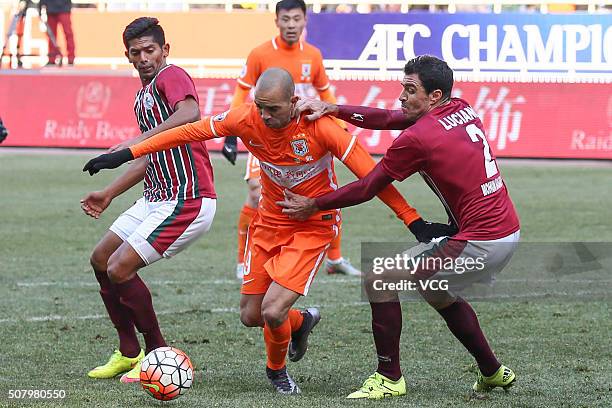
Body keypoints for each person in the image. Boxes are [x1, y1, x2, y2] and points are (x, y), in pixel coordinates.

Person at [82, 67, 453, 394]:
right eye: (260, 106)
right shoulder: (247, 118)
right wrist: (126, 153)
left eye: (273, 108)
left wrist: (414, 221)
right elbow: (189, 131)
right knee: (251, 315)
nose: (264, 115)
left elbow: (373, 177)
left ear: (293, 101)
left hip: (313, 226)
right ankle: (303, 321)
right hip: (269, 223)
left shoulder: (322, 127)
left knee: (273, 311)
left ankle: (276, 372)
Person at [278, 55, 521, 399]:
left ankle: (389, 377)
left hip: (481, 241)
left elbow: (367, 187)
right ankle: (493, 372)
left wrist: (314, 204)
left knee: (378, 279)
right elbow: (393, 118)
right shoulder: (461, 107)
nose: (401, 96)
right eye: (402, 88)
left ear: (434, 96)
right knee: (436, 290)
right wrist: (334, 108)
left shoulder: (418, 138)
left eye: (410, 89)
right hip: (506, 230)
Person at [81, 17, 216, 384]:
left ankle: (157, 354)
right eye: (136, 52)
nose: (144, 58)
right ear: (127, 56)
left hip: (187, 198)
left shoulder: (170, 77)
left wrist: (128, 146)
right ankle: (128, 352)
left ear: (165, 50)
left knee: (120, 268)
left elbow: (190, 114)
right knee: (101, 259)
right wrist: (109, 193)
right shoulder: (142, 97)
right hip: (156, 197)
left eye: (150, 50)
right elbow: (148, 156)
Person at [222, 0, 360, 279]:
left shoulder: (313, 55)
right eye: (285, 19)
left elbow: (325, 94)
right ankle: (243, 258)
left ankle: (334, 259)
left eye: (296, 19)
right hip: (266, 134)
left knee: (323, 193)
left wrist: (339, 123)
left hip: (307, 137)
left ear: (305, 21)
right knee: (255, 191)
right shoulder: (260, 54)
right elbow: (241, 92)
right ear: (276, 21)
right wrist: (231, 133)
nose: (291, 25)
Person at [39, 0, 75, 65]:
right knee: (51, 35)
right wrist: (41, 5)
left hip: (64, 8)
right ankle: (52, 58)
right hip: (51, 8)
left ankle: (71, 58)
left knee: (68, 33)